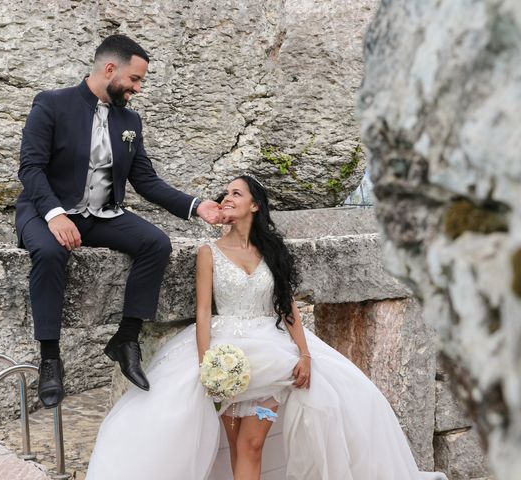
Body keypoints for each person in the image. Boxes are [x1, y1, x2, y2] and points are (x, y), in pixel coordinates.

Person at [85, 175, 434, 479]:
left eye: (236, 193)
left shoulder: (272, 252)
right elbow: (204, 313)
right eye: (225, 194)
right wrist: (207, 364)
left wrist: (306, 354)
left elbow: (288, 308)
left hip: (272, 358)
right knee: (236, 446)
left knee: (252, 444)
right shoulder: (209, 252)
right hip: (226, 357)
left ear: (255, 205)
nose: (227, 198)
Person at [15, 34, 221, 408]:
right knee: (48, 253)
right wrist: (56, 214)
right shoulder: (51, 104)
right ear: (110, 69)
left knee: (155, 244)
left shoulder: (130, 121)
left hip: (103, 214)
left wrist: (196, 206)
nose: (138, 89)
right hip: (46, 211)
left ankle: (126, 340)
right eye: (135, 79)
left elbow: (145, 180)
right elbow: (30, 169)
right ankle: (49, 357)